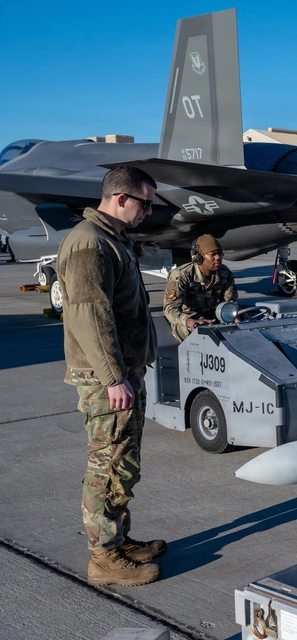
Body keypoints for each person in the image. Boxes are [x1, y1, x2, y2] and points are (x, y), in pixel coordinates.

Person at [56, 165, 164, 587]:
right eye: (145, 203)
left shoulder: (113, 239)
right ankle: (103, 557)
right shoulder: (89, 244)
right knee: (107, 462)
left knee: (123, 461)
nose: (148, 212)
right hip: (106, 377)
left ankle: (117, 539)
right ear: (121, 198)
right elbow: (89, 315)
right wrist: (113, 377)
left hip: (122, 370)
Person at [163, 234, 239, 342]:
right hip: (188, 319)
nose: (218, 258)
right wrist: (189, 321)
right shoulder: (181, 275)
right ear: (199, 257)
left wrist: (234, 319)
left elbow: (229, 302)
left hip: (213, 316)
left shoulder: (224, 273)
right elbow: (169, 309)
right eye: (213, 254)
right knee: (202, 335)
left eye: (220, 253)